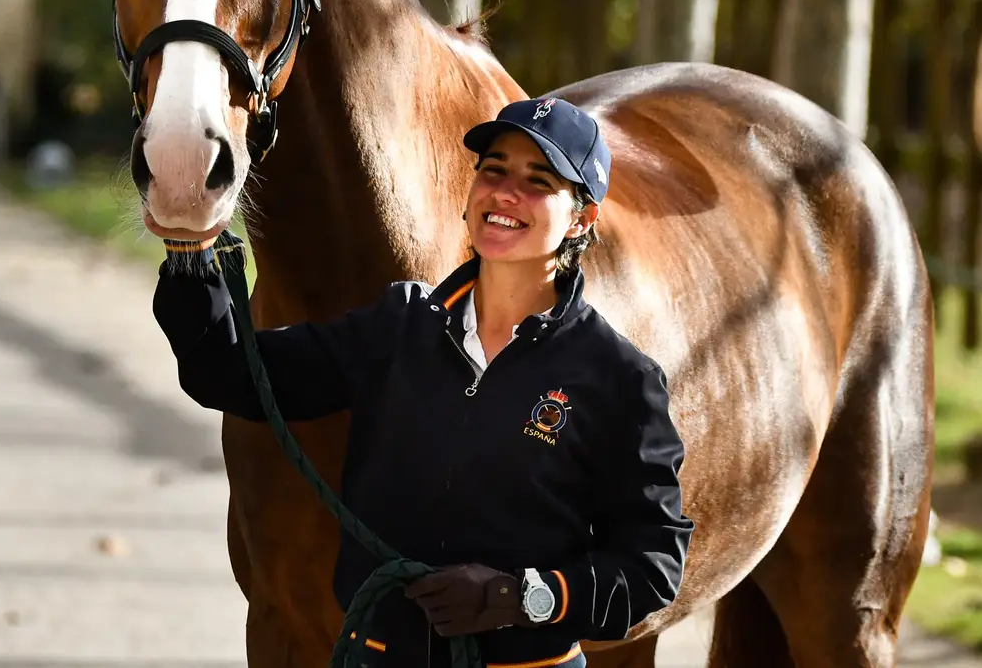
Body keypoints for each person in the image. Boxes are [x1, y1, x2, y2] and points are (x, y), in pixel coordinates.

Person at [151, 97, 694, 668]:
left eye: (539, 181)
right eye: (494, 170)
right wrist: (190, 251)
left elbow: (652, 566)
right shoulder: (397, 327)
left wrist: (519, 597)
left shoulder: (620, 379)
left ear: (582, 218)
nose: (506, 193)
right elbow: (233, 376)